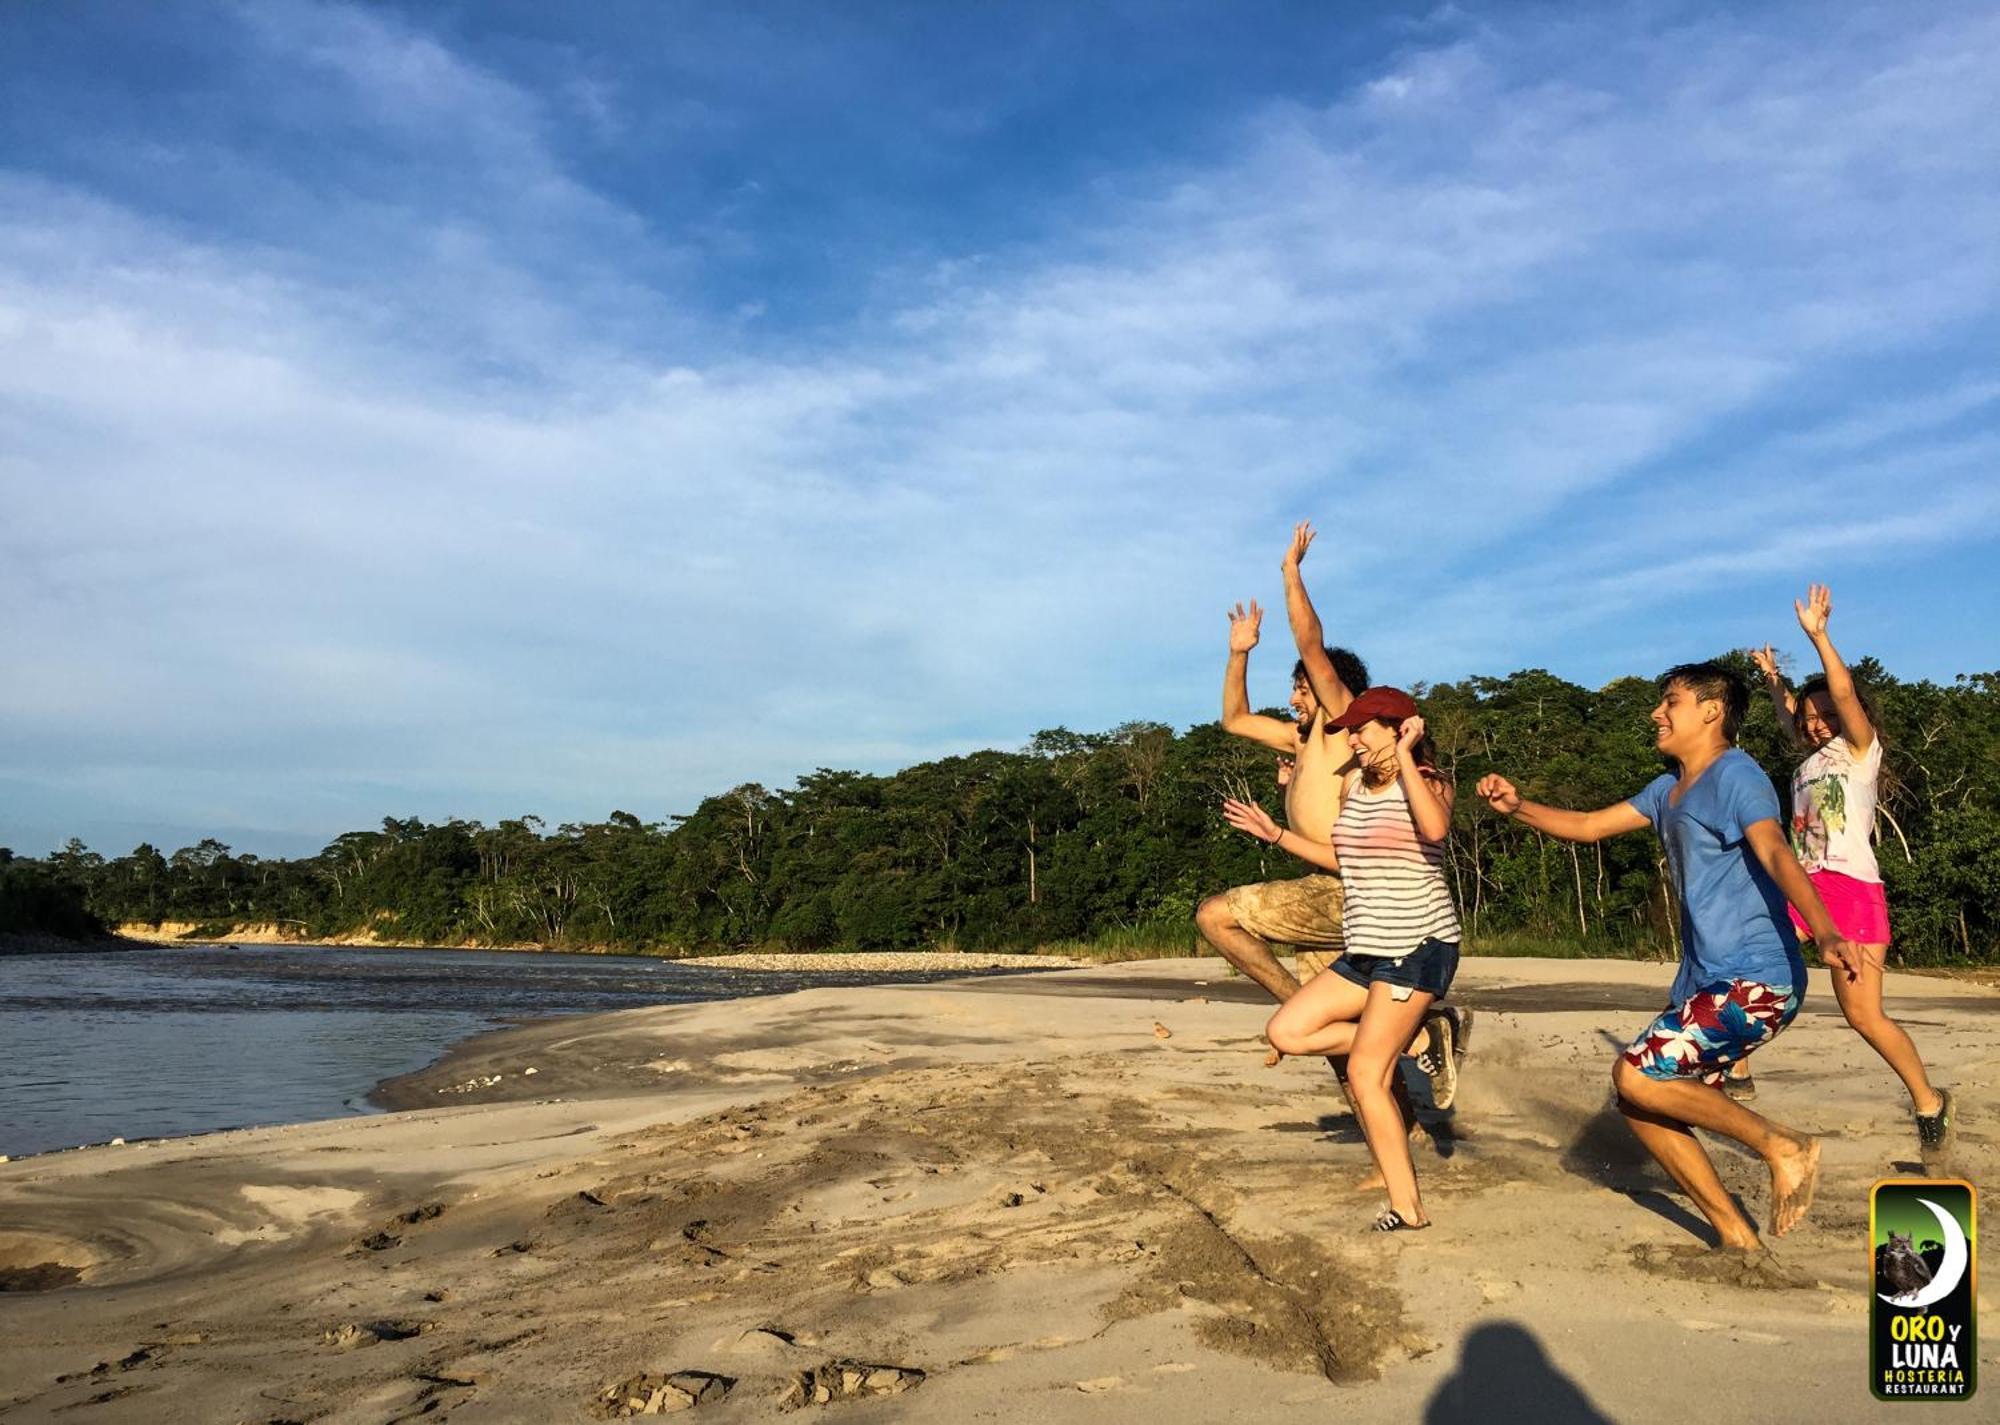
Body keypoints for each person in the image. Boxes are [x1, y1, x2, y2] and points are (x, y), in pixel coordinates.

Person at [1476, 662, 1862, 1249]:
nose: (1658, 712)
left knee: (1636, 1073)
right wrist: (1519, 805)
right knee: (1640, 1103)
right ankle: (1736, 1235)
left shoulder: (1737, 774)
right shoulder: (1667, 791)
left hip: (1757, 977)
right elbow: (1586, 826)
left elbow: (1778, 852)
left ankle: (1783, 1146)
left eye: (1671, 701)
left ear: (1712, 710)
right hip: (1709, 981)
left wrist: (1826, 928)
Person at [1226, 686, 1462, 1231]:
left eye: (1362, 729)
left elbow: (1435, 830)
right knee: (1288, 1031)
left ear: (1400, 728)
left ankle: (1408, 1207)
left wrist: (1405, 756)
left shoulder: (1429, 783)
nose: (1352, 738)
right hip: (1367, 949)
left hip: (1417, 947)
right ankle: (1425, 1038)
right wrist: (1276, 834)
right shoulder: (1355, 784)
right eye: (1349, 730)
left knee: (1365, 1073)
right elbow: (1341, 857)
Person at [1730, 584, 1953, 1164]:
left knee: (1863, 1015)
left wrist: (1820, 637)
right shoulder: (1807, 760)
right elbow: (1788, 713)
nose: (1817, 724)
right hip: (1804, 884)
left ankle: (1929, 1103)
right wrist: (1773, 678)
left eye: (1826, 715)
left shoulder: (1860, 752)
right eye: (1811, 719)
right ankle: (1737, 1070)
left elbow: (1843, 694)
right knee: (1746, 956)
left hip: (1854, 889)